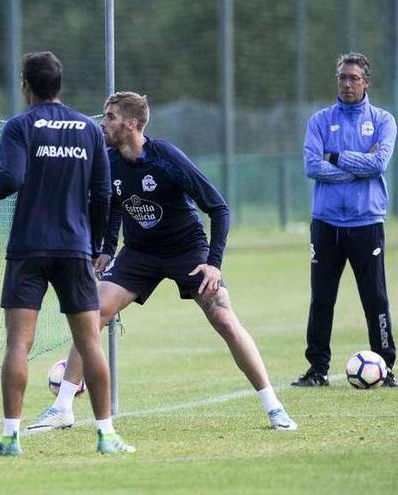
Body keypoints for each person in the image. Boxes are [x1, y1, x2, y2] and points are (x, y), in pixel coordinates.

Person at [29, 91, 298, 432]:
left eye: (110, 116)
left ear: (132, 124)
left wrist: (213, 263)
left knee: (224, 319)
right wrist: (108, 248)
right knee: (91, 314)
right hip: (140, 253)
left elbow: (218, 208)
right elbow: (114, 205)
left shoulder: (165, 157)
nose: (102, 123)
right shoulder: (107, 160)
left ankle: (273, 407)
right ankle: (62, 408)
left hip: (187, 249)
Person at [0, 52, 133, 456]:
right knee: (90, 342)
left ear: (26, 84)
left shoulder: (19, 126)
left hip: (29, 247)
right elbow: (102, 193)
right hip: (74, 248)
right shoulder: (88, 129)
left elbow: (11, 179)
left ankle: (11, 437)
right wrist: (97, 245)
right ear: (59, 84)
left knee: (18, 345)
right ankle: (107, 435)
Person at [292, 52, 396, 387]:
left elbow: (378, 164)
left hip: (367, 222)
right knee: (322, 297)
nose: (347, 83)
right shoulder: (320, 120)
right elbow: (312, 167)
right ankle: (317, 369)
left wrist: (336, 157)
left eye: (353, 78)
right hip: (326, 224)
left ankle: (386, 365)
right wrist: (356, 167)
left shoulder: (383, 120)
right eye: (342, 77)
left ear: (366, 82)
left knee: (375, 298)